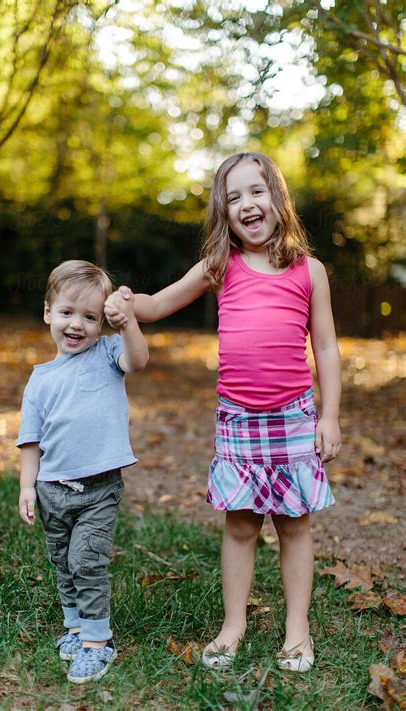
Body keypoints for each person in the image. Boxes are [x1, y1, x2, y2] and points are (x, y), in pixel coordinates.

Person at [104, 152, 341, 673]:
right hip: (238, 418)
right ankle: (233, 624)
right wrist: (125, 301)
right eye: (234, 197)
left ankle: (296, 630)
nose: (247, 204)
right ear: (223, 211)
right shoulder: (220, 266)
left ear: (278, 198)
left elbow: (324, 346)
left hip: (293, 416)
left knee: (294, 525)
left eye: (256, 191)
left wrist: (330, 416)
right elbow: (158, 304)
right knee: (240, 527)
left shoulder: (309, 270)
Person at [17, 259, 149, 684]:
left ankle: (98, 641)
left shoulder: (108, 354)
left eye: (90, 317)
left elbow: (139, 359)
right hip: (51, 488)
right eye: (67, 313)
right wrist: (26, 487)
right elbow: (31, 441)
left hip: (98, 488)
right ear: (47, 313)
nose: (77, 325)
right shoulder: (39, 381)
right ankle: (75, 629)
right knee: (63, 562)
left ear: (101, 323)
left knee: (85, 560)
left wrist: (126, 323)